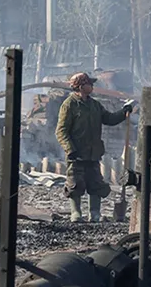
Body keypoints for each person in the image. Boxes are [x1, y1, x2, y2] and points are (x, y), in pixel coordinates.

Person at [55, 72, 133, 222]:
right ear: (80, 86)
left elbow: (109, 119)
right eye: (89, 84)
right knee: (75, 184)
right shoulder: (69, 105)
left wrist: (124, 112)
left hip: (93, 153)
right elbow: (61, 131)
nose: (92, 86)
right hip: (76, 153)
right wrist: (70, 149)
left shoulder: (95, 105)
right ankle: (76, 213)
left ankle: (94, 213)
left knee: (95, 183)